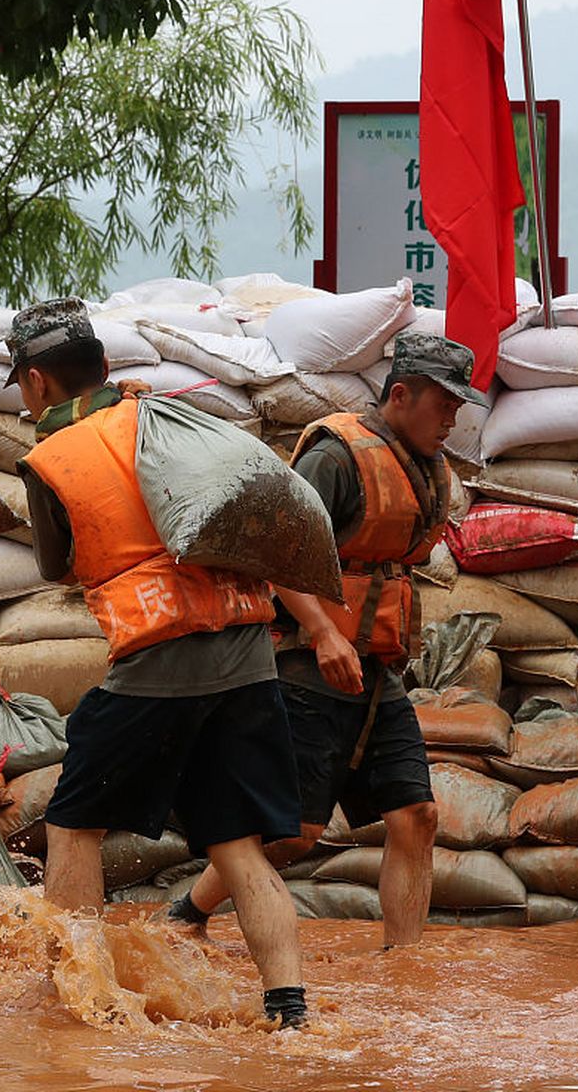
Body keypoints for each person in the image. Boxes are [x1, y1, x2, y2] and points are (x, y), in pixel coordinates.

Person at [8, 298, 310, 1030]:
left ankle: (78, 999)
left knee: (73, 826)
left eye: (21, 380)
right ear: (107, 370)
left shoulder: (50, 459)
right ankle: (290, 1011)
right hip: (245, 650)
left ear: (40, 384)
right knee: (236, 843)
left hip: (155, 659)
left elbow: (56, 567)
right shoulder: (178, 418)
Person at [181, 332, 482, 949]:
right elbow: (277, 558)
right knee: (295, 835)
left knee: (416, 817)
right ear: (401, 394)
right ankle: (186, 912)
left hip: (377, 667)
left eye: (459, 407)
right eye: (443, 404)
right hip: (308, 664)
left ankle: (404, 966)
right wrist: (323, 635)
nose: (453, 419)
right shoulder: (337, 457)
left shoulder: (427, 465)